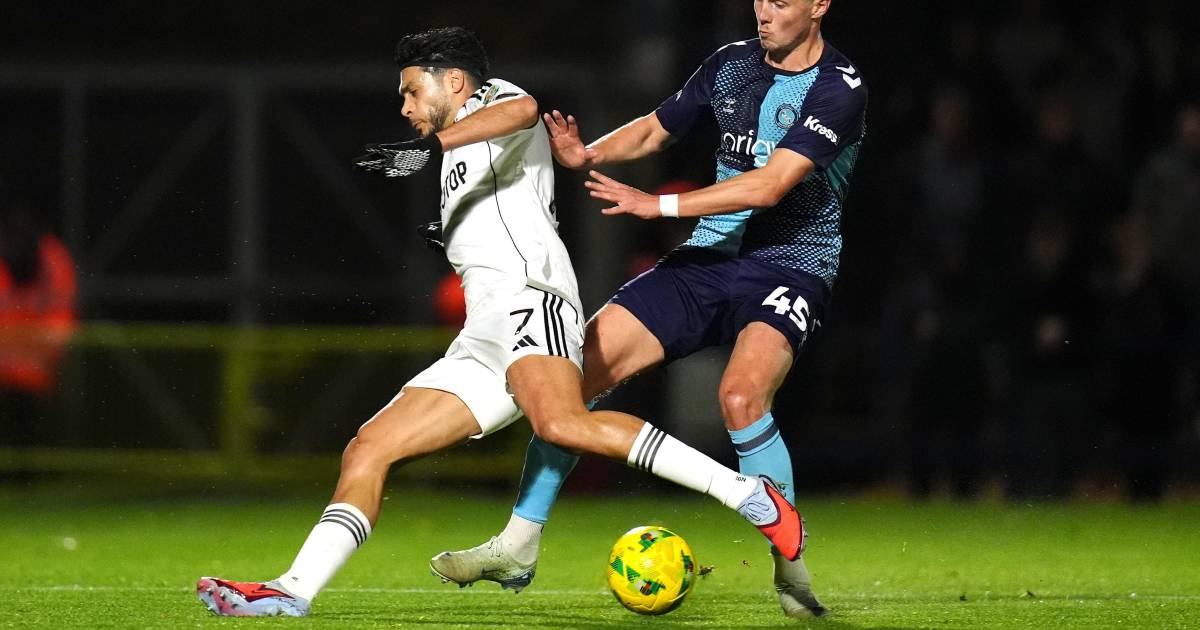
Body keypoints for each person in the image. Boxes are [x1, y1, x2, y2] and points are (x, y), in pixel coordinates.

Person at [195, 27, 803, 618]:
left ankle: (747, 495)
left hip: (529, 298)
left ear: (454, 81)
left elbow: (525, 110)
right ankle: (292, 590)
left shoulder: (492, 100)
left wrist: (434, 146)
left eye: (412, 90)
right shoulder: (461, 146)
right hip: (484, 330)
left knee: (562, 422)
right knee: (370, 447)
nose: (404, 105)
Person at [431, 0, 866, 618]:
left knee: (741, 398)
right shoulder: (731, 63)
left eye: (780, 0)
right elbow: (659, 126)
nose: (762, 11)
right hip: (707, 259)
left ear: (819, 5)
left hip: (790, 266)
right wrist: (591, 155)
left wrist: (654, 206)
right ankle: (518, 546)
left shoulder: (839, 88)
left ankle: (790, 574)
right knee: (569, 374)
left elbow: (771, 184)